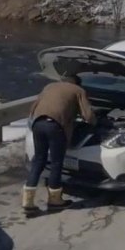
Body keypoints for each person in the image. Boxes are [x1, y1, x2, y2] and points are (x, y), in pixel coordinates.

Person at [23, 74, 95, 216]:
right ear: (77, 84)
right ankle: (55, 200)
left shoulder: (49, 86)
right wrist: (95, 123)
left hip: (37, 123)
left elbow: (33, 108)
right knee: (56, 163)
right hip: (55, 126)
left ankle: (28, 201)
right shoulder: (78, 90)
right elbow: (88, 115)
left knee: (39, 160)